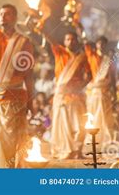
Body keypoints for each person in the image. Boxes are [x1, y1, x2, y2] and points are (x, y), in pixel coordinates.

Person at [0, 4, 35, 168]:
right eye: (1, 13)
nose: (3, 16)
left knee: (10, 141)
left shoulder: (24, 42)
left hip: (13, 100)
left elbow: (29, 74)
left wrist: (31, 101)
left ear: (15, 18)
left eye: (8, 14)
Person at [43, 30, 90, 159]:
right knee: (62, 125)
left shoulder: (82, 57)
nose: (70, 42)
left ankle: (77, 150)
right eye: (68, 39)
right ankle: (65, 150)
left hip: (76, 96)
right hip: (61, 96)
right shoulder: (60, 52)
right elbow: (50, 38)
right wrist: (41, 26)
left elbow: (89, 75)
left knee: (79, 124)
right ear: (64, 42)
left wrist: (80, 85)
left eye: (73, 39)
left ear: (77, 41)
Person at [83, 35, 116, 146]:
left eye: (103, 44)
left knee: (105, 116)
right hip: (93, 92)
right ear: (96, 44)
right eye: (99, 43)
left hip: (104, 92)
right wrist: (77, 25)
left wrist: (114, 93)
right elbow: (85, 42)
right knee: (93, 114)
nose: (101, 45)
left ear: (105, 45)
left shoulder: (108, 60)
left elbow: (112, 78)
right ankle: (94, 138)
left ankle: (105, 139)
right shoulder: (91, 56)